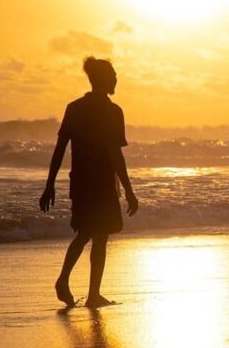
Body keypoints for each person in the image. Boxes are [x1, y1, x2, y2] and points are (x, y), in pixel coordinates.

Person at [39, 57, 138, 308]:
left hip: (83, 182)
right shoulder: (113, 112)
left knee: (85, 233)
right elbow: (116, 155)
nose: (116, 79)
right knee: (98, 235)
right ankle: (89, 293)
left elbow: (60, 150)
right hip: (102, 183)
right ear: (103, 79)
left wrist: (50, 184)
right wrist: (128, 190)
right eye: (113, 75)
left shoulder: (75, 108)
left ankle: (71, 283)